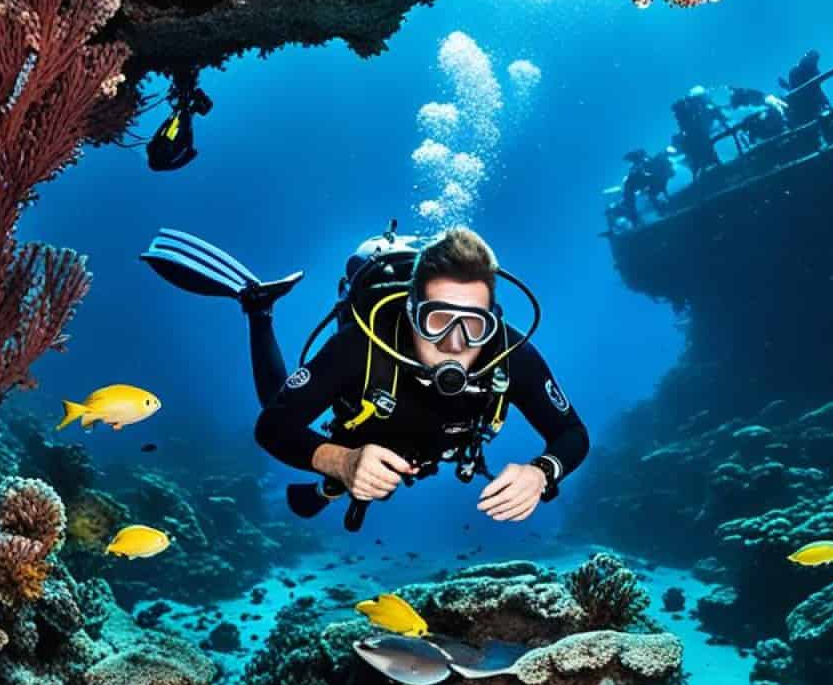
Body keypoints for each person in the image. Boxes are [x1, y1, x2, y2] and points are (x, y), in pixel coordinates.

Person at [141, 225, 589, 530]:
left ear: (493, 320)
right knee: (279, 400)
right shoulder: (361, 344)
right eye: (437, 320)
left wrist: (542, 472)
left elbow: (571, 433)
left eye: (474, 325)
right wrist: (342, 462)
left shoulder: (512, 355)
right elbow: (273, 426)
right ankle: (259, 309)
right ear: (412, 312)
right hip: (361, 433)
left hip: (428, 446)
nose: (455, 343)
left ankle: (335, 485)